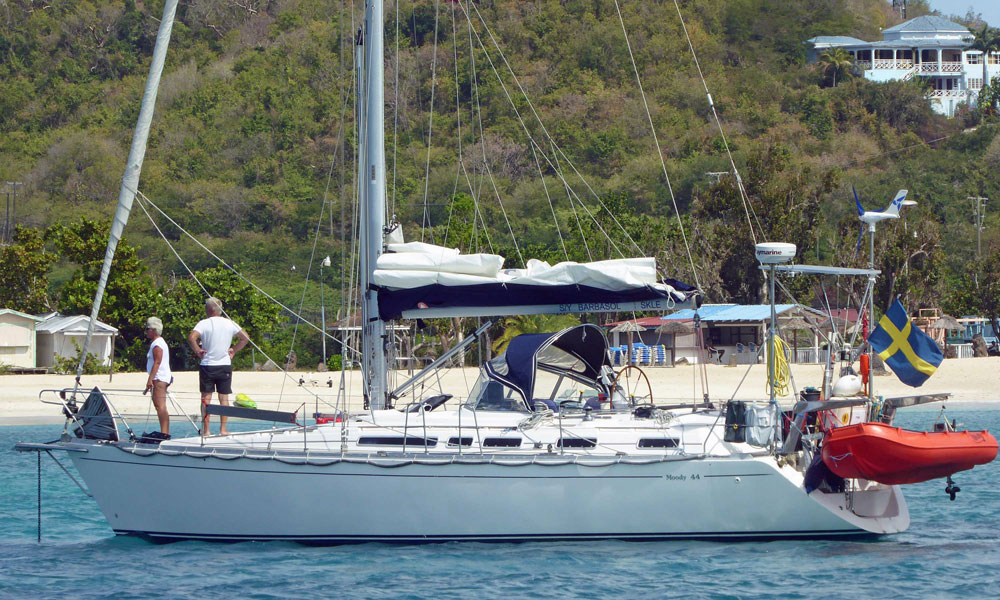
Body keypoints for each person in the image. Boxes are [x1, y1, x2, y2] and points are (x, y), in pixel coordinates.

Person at [188, 297, 250, 436]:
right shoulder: (229, 323)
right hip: (224, 365)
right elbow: (245, 338)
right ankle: (223, 429)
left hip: (208, 365)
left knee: (206, 398)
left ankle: (207, 430)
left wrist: (198, 351)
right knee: (224, 398)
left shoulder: (204, 323)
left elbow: (191, 338)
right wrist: (234, 349)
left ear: (209, 310)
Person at [144, 317, 171, 440]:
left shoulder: (158, 344)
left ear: (154, 330)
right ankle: (163, 432)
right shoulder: (157, 343)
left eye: (148, 329)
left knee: (160, 406)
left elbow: (157, 362)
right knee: (158, 405)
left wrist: (150, 379)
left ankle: (164, 433)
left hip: (159, 378)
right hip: (158, 377)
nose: (146, 331)